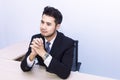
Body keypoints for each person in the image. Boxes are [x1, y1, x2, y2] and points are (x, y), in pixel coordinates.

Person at [20, 6, 74, 79]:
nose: (43, 27)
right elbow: (24, 68)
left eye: (48, 24)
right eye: (42, 22)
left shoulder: (68, 43)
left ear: (57, 26)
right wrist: (32, 55)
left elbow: (65, 73)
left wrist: (43, 53)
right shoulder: (36, 38)